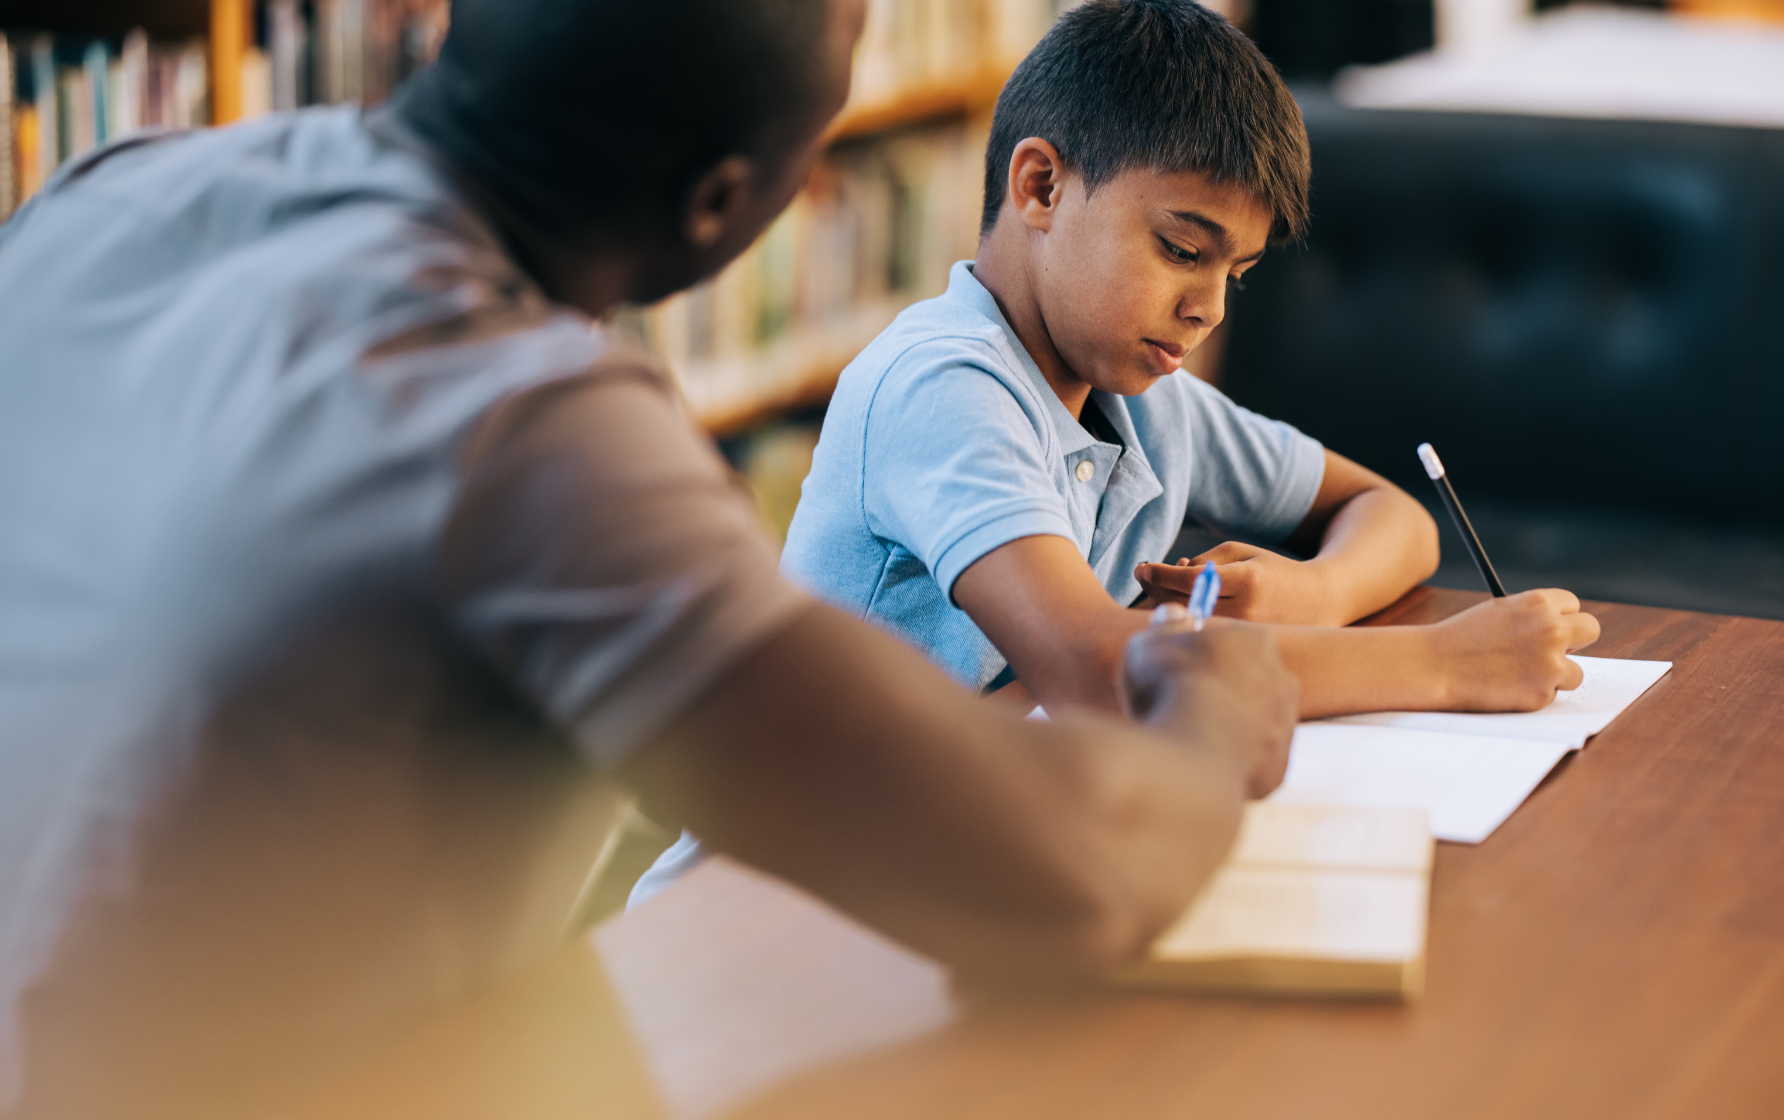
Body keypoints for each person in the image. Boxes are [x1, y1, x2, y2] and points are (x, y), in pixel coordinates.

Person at [0, 2, 1298, 1117]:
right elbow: (1066, 883)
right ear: (723, 208)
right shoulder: (529, 429)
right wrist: (1206, 710)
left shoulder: (116, 190)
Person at [775, 0, 1601, 720]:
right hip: (788, 880)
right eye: (1180, 249)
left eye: (1235, 274)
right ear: (1041, 188)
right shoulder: (942, 383)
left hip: (977, 827)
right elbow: (1095, 669)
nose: (1208, 308)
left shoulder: (1144, 400)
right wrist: (1448, 665)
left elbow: (1395, 517)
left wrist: (1317, 593)